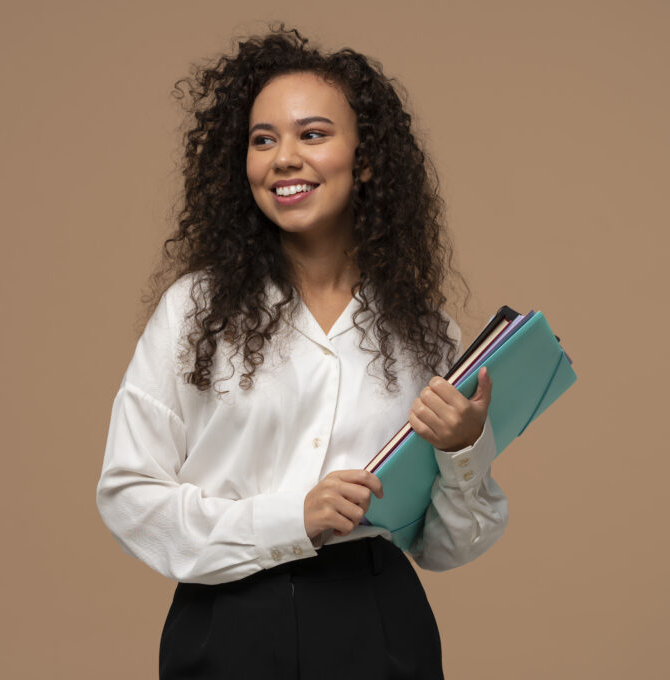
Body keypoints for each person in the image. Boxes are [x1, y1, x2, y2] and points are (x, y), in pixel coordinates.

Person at [96, 25, 508, 680]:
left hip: (378, 623)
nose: (283, 157)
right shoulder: (194, 311)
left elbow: (448, 548)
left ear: (365, 158)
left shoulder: (423, 332)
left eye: (312, 134)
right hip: (227, 621)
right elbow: (128, 495)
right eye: (264, 140)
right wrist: (292, 519)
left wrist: (463, 450)